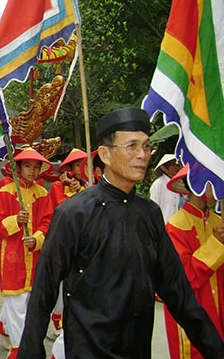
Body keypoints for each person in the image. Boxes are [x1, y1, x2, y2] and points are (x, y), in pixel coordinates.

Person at [17, 107, 224, 359]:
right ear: (105, 153)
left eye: (146, 147)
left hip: (136, 348)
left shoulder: (149, 213)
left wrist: (215, 349)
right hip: (88, 349)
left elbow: (178, 292)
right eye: (132, 146)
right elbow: (44, 290)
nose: (142, 155)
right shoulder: (74, 214)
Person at [0, 148, 54, 359]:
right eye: (27, 166)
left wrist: (37, 239)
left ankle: (5, 323)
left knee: (26, 301)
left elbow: (48, 222)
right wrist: (16, 221)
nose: (32, 171)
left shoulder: (43, 193)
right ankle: (19, 350)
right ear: (18, 168)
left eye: (36, 167)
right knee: (17, 301)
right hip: (12, 256)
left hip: (34, 256)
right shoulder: (7, 191)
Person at [164, 163, 224, 359]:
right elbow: (185, 277)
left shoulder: (217, 222)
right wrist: (217, 243)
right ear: (197, 184)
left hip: (218, 309)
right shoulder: (175, 226)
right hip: (193, 312)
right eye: (212, 181)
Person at [150, 153, 184, 223]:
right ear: (165, 167)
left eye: (177, 165)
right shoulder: (158, 184)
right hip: (164, 225)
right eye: (172, 165)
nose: (175, 167)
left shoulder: (180, 184)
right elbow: (153, 208)